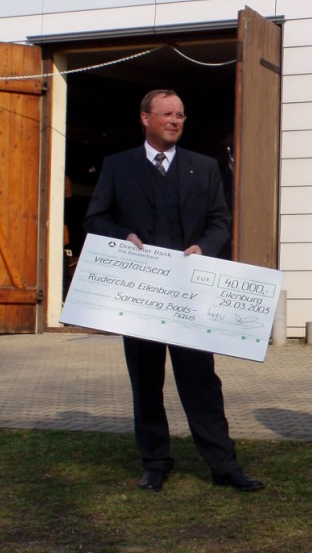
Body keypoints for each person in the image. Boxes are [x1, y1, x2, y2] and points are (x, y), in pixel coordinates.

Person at [83, 89, 264, 493]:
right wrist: (123, 235)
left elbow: (220, 221)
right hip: (140, 296)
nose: (175, 120)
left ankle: (223, 466)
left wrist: (204, 247)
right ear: (145, 118)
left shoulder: (204, 167)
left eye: (180, 114)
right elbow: (95, 220)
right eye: (166, 114)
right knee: (146, 383)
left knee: (202, 384)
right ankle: (155, 463)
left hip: (189, 298)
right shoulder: (118, 166)